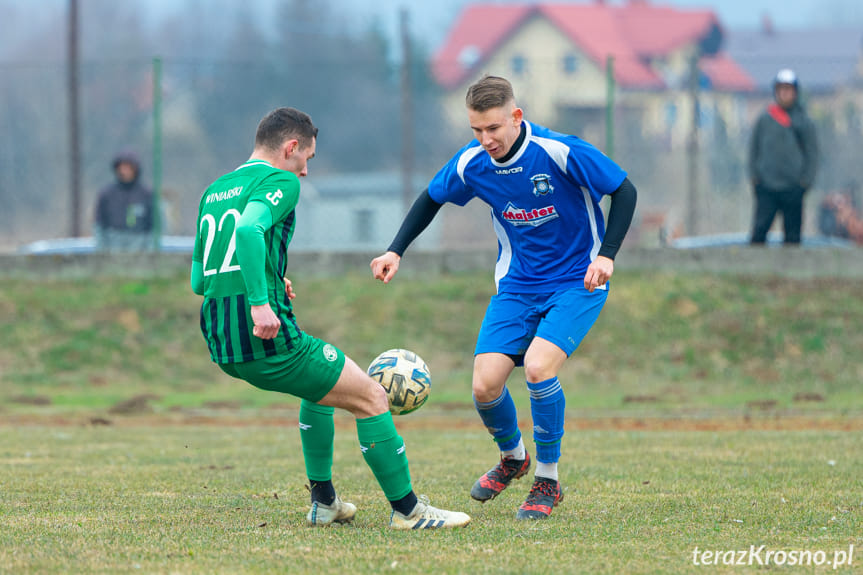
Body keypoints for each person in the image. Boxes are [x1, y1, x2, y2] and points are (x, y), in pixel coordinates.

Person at [370, 76, 637, 520]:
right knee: (484, 384)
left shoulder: (559, 151)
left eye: (493, 128)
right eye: (476, 130)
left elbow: (623, 191)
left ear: (516, 117)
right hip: (517, 285)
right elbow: (430, 198)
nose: (485, 139)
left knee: (537, 368)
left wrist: (607, 256)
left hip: (579, 280)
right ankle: (514, 457)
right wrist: (395, 249)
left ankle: (547, 481)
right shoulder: (472, 163)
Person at [191, 107, 470, 530]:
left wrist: (268, 278)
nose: (305, 171)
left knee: (320, 389)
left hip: (221, 338)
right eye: (307, 158)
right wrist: (259, 302)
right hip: (263, 335)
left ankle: (325, 503)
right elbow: (249, 231)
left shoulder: (215, 190)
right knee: (372, 398)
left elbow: (200, 278)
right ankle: (409, 512)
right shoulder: (279, 179)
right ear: (290, 148)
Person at [748, 68, 818, 245]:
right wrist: (755, 178)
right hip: (767, 187)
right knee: (759, 233)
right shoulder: (765, 119)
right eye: (781, 90)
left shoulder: (803, 121)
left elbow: (812, 153)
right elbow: (753, 149)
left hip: (793, 188)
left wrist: (805, 182)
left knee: (792, 238)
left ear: (795, 93)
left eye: (788, 90)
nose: (785, 94)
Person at [93, 151, 155, 252]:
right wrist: (102, 251)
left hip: (140, 248)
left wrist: (149, 250)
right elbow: (99, 226)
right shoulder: (106, 194)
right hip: (113, 247)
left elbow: (155, 227)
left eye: (128, 167)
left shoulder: (147, 194)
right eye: (122, 167)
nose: (124, 171)